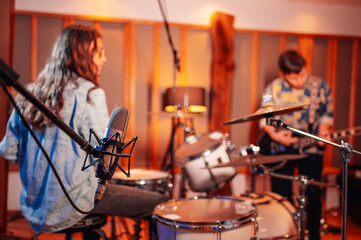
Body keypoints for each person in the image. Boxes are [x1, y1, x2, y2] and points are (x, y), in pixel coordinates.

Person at [0, 25, 169, 235]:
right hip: (73, 204)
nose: (104, 59)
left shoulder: (29, 93)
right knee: (162, 203)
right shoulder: (89, 93)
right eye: (100, 52)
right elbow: (105, 160)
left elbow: (8, 151)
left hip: (36, 208)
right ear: (82, 54)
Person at [260, 50, 333, 240]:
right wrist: (276, 135)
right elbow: (264, 116)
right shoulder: (272, 88)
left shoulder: (321, 86)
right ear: (283, 73)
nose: (299, 81)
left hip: (311, 147)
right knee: (281, 195)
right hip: (281, 148)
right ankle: (287, 233)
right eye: (293, 78)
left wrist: (324, 131)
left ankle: (313, 235)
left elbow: (326, 114)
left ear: (305, 67)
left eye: (301, 75)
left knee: (312, 192)